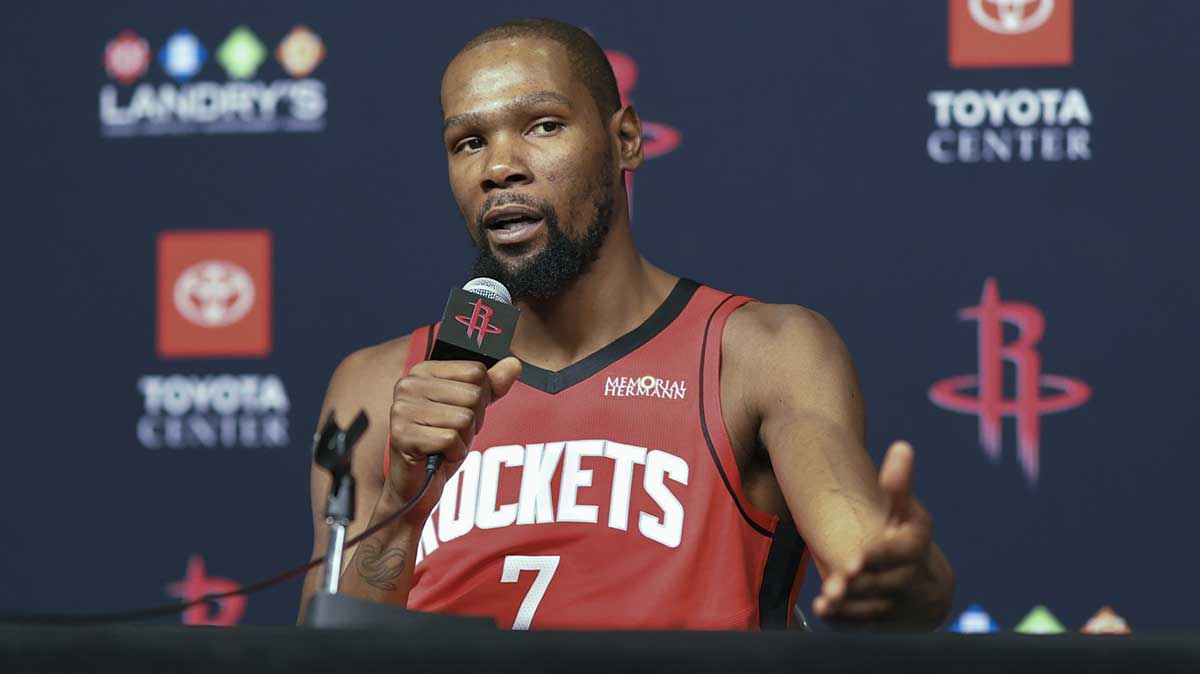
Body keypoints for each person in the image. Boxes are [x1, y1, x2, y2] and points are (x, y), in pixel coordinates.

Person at [298, 17, 953, 630]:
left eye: (543, 126)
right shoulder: (379, 385)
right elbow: (324, 654)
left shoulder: (760, 354)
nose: (499, 167)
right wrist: (402, 499)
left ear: (626, 141)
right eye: (469, 142)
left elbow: (864, 548)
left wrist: (903, 572)